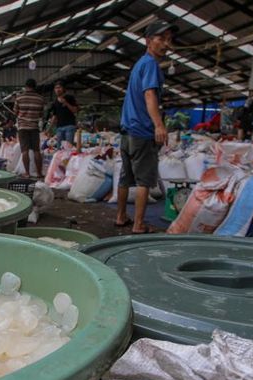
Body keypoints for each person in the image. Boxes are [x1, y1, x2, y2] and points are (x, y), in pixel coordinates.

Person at [115, 20, 176, 234]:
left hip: (128, 130)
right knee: (144, 180)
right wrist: (158, 125)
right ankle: (138, 225)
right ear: (148, 41)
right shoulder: (150, 64)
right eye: (160, 39)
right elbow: (149, 94)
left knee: (125, 176)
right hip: (142, 130)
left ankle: (121, 216)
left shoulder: (140, 63)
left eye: (168, 39)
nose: (165, 44)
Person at [14, 78, 45, 178]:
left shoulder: (19, 98)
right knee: (36, 150)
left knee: (25, 151)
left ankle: (27, 173)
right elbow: (41, 114)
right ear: (35, 87)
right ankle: (39, 173)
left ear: (26, 86)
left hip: (23, 127)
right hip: (34, 127)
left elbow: (15, 112)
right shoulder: (40, 99)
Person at [47, 80, 79, 145]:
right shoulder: (55, 102)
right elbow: (55, 116)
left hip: (69, 126)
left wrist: (66, 103)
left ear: (63, 88)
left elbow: (75, 110)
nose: (58, 89)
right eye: (56, 88)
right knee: (60, 149)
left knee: (68, 148)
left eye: (59, 87)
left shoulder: (70, 98)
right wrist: (49, 129)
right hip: (59, 128)